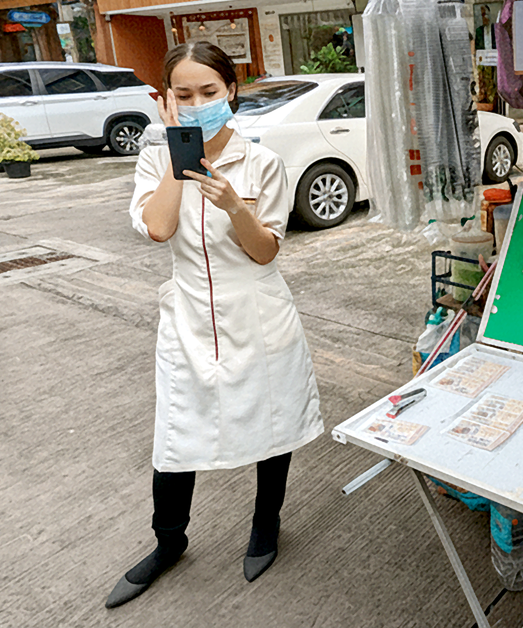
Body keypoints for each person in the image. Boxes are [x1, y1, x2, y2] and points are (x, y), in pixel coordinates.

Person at [105, 42, 322, 609]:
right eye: (184, 95)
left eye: (209, 92)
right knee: (177, 437)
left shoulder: (261, 163)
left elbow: (264, 252)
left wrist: (235, 206)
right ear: (167, 101)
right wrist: (183, 151)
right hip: (188, 318)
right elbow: (157, 228)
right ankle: (168, 543)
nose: (198, 102)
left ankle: (265, 526)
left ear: (231, 91)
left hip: (258, 312)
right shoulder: (156, 158)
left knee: (271, 425)